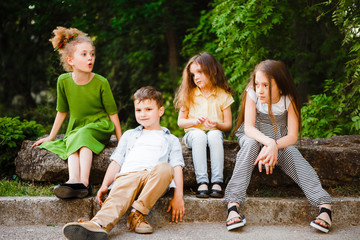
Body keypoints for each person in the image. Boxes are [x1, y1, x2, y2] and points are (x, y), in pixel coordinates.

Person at [62, 86, 185, 240]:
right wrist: (105, 184)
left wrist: (178, 196)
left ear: (160, 111)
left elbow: (177, 166)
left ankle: (137, 213)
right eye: (138, 110)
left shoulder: (170, 139)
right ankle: (98, 225)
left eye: (148, 109)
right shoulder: (129, 135)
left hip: (153, 179)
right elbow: (117, 161)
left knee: (165, 168)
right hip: (128, 176)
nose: (143, 114)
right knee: (118, 195)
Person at [225, 60, 332, 233]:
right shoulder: (252, 94)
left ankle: (324, 206)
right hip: (253, 136)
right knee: (251, 144)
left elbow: (292, 136)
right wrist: (269, 143)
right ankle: (232, 206)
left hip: (278, 141)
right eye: (257, 84)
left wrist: (274, 144)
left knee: (290, 151)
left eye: (266, 85)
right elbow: (250, 128)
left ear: (280, 86)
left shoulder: (288, 99)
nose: (259, 90)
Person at [32, 26, 122, 199]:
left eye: (92, 54)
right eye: (84, 54)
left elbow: (113, 114)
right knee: (73, 139)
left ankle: (85, 183)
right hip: (77, 127)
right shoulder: (63, 81)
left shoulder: (101, 82)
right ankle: (73, 180)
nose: (90, 58)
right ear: (70, 60)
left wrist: (121, 142)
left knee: (82, 135)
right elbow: (62, 111)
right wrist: (51, 137)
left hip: (99, 126)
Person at [174, 52, 234, 198]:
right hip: (193, 135)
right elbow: (180, 122)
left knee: (214, 134)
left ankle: (217, 182)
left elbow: (228, 125)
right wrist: (194, 122)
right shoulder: (189, 94)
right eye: (193, 75)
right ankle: (202, 182)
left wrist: (217, 124)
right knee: (199, 135)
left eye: (199, 72)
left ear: (212, 71)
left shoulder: (223, 95)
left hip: (214, 134)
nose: (196, 78)